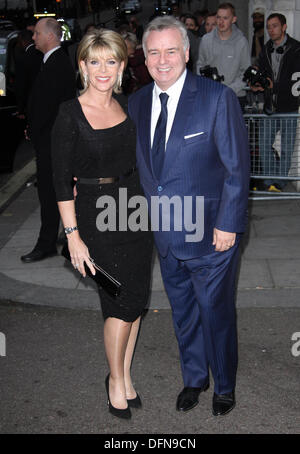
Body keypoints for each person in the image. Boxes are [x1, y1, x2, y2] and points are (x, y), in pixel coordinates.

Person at [128, 16, 250, 416]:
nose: (162, 60)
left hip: (212, 237)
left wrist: (229, 225)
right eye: (153, 52)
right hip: (165, 235)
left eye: (170, 51)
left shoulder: (217, 98)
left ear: (186, 52)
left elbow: (236, 169)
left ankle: (225, 386)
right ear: (144, 57)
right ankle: (195, 378)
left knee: (215, 313)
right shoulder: (139, 101)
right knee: (183, 313)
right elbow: (142, 170)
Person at [51, 29, 153, 420]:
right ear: (82, 66)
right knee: (119, 301)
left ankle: (125, 376)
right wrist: (73, 237)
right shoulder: (69, 113)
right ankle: (113, 381)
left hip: (134, 210)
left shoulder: (128, 105)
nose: (103, 69)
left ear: (123, 66)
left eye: (111, 60)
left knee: (138, 300)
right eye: (94, 61)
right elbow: (60, 182)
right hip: (95, 218)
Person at [20, 18, 77, 263]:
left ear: (50, 36)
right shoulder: (52, 61)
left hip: (52, 143)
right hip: (50, 140)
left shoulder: (57, 63)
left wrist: (35, 128)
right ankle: (58, 236)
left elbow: (51, 108)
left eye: (37, 34)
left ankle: (46, 244)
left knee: (49, 192)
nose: (33, 38)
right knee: (53, 192)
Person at [250, 13, 300, 192]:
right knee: (264, 144)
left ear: (284, 27)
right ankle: (270, 179)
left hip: (289, 106)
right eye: (269, 26)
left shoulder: (296, 49)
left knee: (286, 148)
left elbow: (296, 80)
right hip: (270, 106)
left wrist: (274, 86)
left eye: (275, 26)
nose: (271, 30)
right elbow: (263, 72)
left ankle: (279, 182)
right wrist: (258, 84)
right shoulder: (266, 48)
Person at [196, 2, 251, 111]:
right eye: (218, 17)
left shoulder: (241, 42)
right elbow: (200, 66)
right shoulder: (206, 40)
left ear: (233, 19)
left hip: (235, 97)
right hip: (211, 96)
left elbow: (246, 72)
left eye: (225, 18)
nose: (221, 21)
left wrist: (228, 90)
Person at [14, 29, 43, 118]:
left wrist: (21, 109)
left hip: (30, 103)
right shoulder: (42, 54)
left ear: (23, 41)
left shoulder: (22, 59)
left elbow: (22, 86)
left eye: (19, 42)